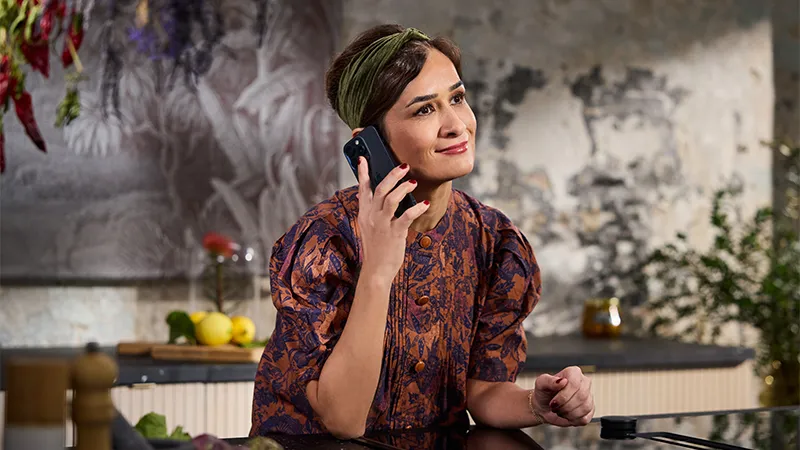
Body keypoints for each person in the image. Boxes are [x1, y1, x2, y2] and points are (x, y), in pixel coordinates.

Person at [250, 24, 595, 439]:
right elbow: (342, 420)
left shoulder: (493, 241)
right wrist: (379, 267)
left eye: (457, 98)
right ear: (369, 144)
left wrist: (534, 404)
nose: (456, 125)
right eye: (424, 110)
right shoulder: (324, 241)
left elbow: (481, 390)